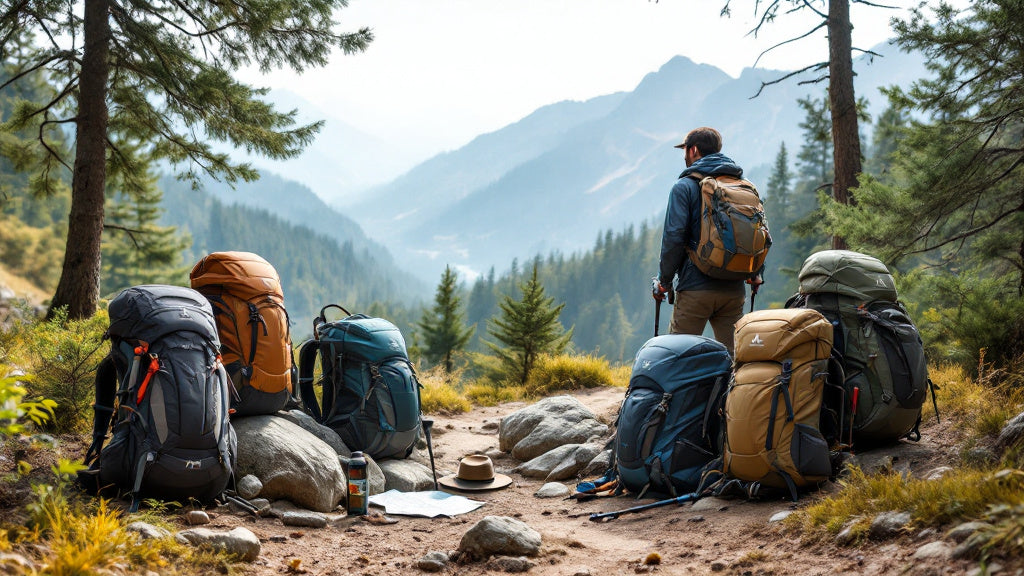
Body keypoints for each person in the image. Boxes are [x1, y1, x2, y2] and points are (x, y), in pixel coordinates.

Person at [654, 127, 761, 355]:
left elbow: (674, 236)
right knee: (735, 360)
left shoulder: (684, 186)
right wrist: (756, 272)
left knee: (678, 357)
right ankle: (731, 392)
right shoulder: (741, 186)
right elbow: (756, 231)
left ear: (693, 150)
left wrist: (664, 280)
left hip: (695, 288)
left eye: (685, 150)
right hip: (733, 288)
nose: (685, 156)